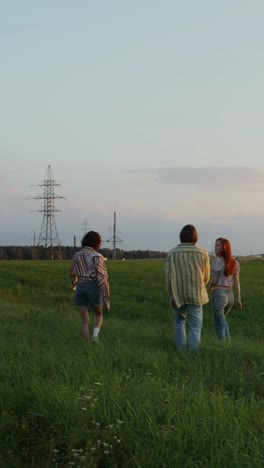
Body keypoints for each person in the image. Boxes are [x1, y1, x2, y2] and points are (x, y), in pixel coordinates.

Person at [165, 224, 210, 350]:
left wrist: (171, 295)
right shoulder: (203, 253)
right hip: (196, 295)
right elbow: (205, 277)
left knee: (179, 322)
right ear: (195, 237)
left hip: (177, 295)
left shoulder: (172, 253)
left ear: (181, 236)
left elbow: (168, 278)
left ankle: (180, 350)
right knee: (195, 326)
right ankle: (193, 354)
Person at [70, 231, 110, 342]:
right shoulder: (98, 257)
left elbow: (72, 273)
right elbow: (102, 277)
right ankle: (95, 337)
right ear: (97, 243)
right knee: (98, 314)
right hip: (93, 287)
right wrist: (106, 299)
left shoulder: (76, 255)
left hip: (80, 287)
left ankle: (86, 345)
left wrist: (74, 285)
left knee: (84, 321)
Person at [209, 237, 242, 341]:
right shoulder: (234, 262)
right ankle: (228, 344)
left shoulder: (217, 261)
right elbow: (237, 282)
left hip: (219, 294)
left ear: (225, 247)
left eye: (218, 245)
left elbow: (214, 280)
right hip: (230, 296)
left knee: (219, 323)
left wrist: (209, 289)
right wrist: (238, 299)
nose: (215, 247)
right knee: (223, 320)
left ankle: (222, 346)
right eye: (215, 245)